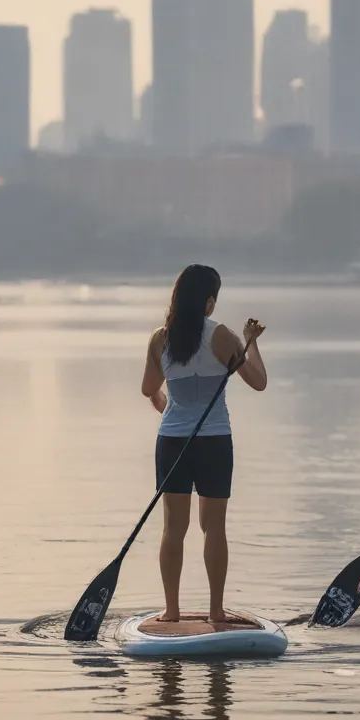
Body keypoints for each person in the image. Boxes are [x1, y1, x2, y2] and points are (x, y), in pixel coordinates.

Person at [141, 264, 267, 625]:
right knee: (213, 527)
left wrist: (168, 409)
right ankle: (215, 611)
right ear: (209, 303)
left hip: (172, 441)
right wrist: (252, 342)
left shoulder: (159, 339)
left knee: (172, 529)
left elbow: (149, 390)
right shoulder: (223, 336)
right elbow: (258, 381)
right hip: (213, 443)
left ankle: (172, 612)